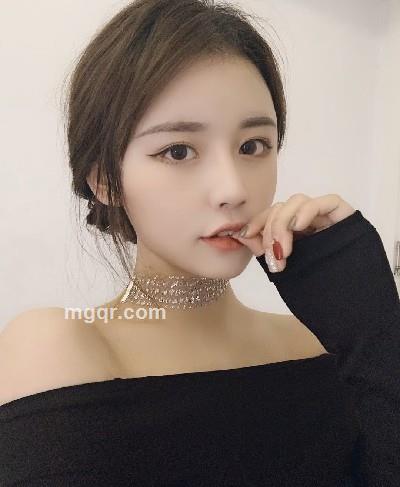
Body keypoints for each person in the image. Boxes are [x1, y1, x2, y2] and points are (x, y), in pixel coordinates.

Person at [1, 0, 399, 485]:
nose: (233, 189)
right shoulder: (57, 348)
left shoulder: (319, 346)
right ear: (104, 180)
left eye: (252, 146)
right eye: (178, 151)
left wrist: (371, 320)